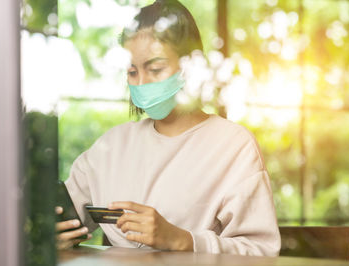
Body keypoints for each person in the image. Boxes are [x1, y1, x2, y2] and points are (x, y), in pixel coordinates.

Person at [56, 0, 281, 256]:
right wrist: (51, 235)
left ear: (190, 66)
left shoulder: (234, 146)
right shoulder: (112, 145)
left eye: (155, 68)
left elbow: (261, 252)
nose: (141, 83)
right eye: (132, 72)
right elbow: (64, 218)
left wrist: (182, 240)